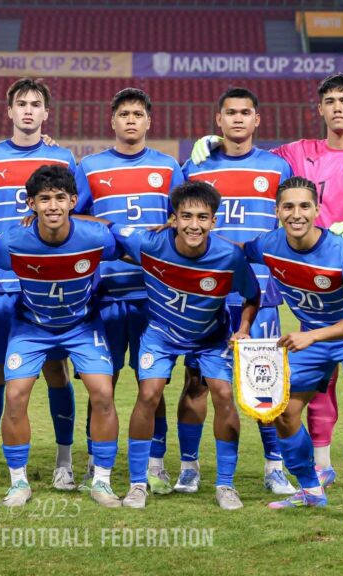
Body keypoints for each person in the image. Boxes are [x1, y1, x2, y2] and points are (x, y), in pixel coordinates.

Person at [190, 74, 343, 501]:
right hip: (310, 282)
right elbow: (249, 152)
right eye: (330, 101)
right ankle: (320, 467)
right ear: (319, 109)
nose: (337, 108)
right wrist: (216, 141)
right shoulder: (297, 153)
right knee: (313, 384)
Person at [0, 165, 122, 508]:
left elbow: (128, 247)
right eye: (44, 199)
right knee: (15, 395)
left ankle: (101, 481)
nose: (52, 206)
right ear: (31, 204)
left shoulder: (96, 237)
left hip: (82, 325)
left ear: (73, 201)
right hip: (31, 326)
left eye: (59, 198)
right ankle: (18, 483)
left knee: (103, 393)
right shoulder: (12, 241)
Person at [244, 176, 343, 533]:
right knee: (283, 412)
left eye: (304, 206)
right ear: (277, 212)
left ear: (317, 210)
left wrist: (313, 335)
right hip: (313, 338)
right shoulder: (268, 245)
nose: (297, 214)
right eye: (288, 207)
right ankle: (310, 489)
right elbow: (233, 251)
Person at [112, 181, 260, 510]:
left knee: (223, 394)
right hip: (161, 334)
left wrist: (244, 328)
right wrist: (51, 218)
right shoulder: (148, 242)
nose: (194, 225)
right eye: (186, 216)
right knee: (148, 394)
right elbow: (105, 226)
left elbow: (253, 295)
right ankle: (137, 484)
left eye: (202, 217)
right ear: (173, 219)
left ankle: (225, 485)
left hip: (209, 337)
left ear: (214, 221)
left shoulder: (230, 256)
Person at [179, 87, 297, 496]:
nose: (238, 119)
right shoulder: (195, 166)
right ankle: (189, 467)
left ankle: (274, 467)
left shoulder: (277, 168)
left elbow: (292, 223)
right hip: (205, 295)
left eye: (246, 112)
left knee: (264, 383)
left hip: (260, 296)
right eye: (230, 113)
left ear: (257, 120)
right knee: (196, 381)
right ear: (219, 120)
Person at [0, 78, 78, 491]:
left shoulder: (63, 157)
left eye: (35, 104)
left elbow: (78, 213)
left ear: (46, 112)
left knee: (55, 368)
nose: (28, 110)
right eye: (21, 104)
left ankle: (64, 459)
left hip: (49, 284)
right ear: (9, 111)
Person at [71, 87, 183, 493]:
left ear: (149, 121)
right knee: (102, 381)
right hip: (104, 294)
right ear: (113, 121)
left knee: (153, 382)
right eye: (124, 114)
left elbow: (181, 220)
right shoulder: (90, 167)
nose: (131, 120)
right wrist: (112, 229)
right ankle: (94, 461)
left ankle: (155, 462)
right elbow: (74, 215)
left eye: (138, 114)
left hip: (156, 295)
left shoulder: (168, 167)